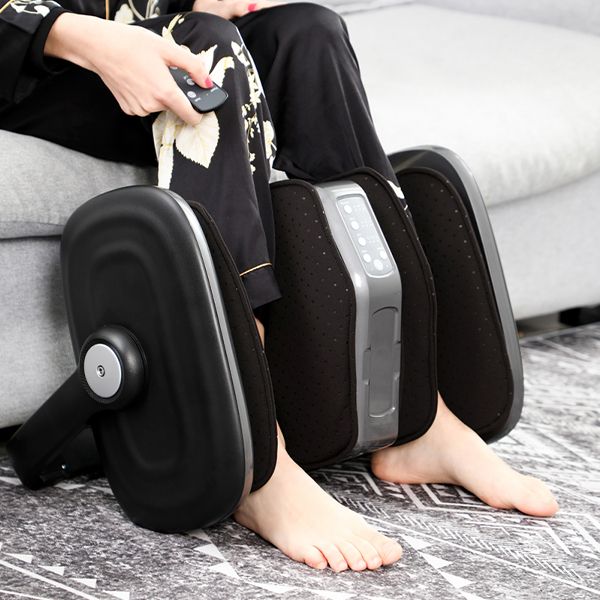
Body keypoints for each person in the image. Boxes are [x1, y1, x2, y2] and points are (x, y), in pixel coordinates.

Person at [0, 0, 558, 573]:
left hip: (133, 40)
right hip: (34, 62)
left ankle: (419, 415)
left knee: (308, 32)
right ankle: (258, 457)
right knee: (205, 46)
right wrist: (81, 37)